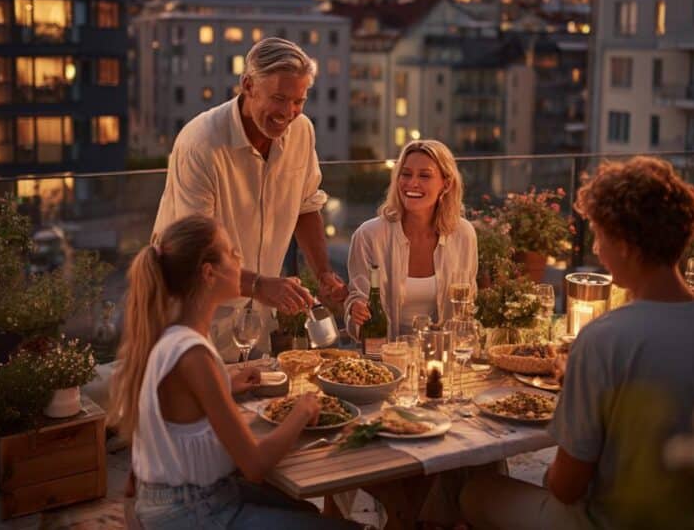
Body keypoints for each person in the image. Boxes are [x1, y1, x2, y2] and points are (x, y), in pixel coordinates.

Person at [460, 156, 694, 530]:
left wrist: (577, 389)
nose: (598, 252)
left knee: (474, 491)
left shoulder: (604, 339)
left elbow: (567, 487)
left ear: (627, 246)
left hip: (607, 522)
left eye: (601, 237)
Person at [108, 214, 359, 529]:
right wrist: (303, 408)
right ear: (209, 273)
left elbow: (177, 408)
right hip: (195, 512)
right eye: (231, 253)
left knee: (307, 510)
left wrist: (225, 383)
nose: (239, 258)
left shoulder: (169, 335)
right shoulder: (195, 355)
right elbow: (254, 464)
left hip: (172, 499)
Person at [152, 38, 348, 357]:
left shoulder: (302, 131)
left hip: (257, 317)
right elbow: (191, 252)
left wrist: (324, 273)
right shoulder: (200, 144)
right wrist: (260, 285)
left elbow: (306, 206)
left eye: (298, 101)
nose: (288, 113)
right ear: (248, 86)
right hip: (194, 312)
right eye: (279, 98)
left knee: (255, 403)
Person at [344, 139, 477, 340]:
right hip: (384, 357)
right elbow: (357, 305)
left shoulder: (463, 235)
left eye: (425, 175)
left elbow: (467, 305)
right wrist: (356, 310)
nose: (412, 183)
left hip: (441, 356)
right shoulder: (369, 235)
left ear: (446, 184)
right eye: (406, 174)